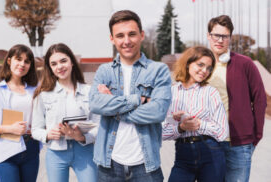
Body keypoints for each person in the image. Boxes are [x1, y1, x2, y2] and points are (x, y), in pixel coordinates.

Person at [89, 10, 172, 182]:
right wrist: (139, 100)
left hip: (146, 165)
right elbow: (95, 104)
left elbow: (158, 112)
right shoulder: (104, 71)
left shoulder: (158, 70)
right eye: (120, 35)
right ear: (112, 39)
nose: (126, 41)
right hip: (109, 164)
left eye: (132, 34)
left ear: (141, 35)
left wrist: (112, 107)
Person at [207, 15, 267, 182]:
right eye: (215, 35)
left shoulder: (244, 63)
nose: (219, 40)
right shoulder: (201, 65)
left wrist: (257, 135)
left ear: (230, 38)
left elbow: (260, 99)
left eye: (224, 36)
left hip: (239, 144)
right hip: (209, 142)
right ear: (208, 36)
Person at [31, 43, 98, 182]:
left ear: (72, 62)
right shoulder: (42, 95)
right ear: (50, 68)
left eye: (63, 61)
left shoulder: (89, 91)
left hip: (84, 151)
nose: (59, 67)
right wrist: (47, 134)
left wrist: (82, 137)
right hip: (56, 153)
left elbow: (99, 124)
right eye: (54, 64)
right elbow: (35, 129)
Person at [162, 46, 229, 182]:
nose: (204, 71)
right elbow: (161, 132)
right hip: (183, 154)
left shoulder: (211, 93)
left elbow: (222, 132)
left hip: (211, 153)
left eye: (209, 68)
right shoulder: (171, 93)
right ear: (188, 63)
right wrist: (181, 127)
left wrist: (199, 124)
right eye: (200, 64)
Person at [0, 44, 40, 182]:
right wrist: (9, 129)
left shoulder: (35, 90)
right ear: (9, 61)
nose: (22, 64)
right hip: (6, 151)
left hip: (31, 149)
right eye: (18, 59)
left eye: (27, 61)